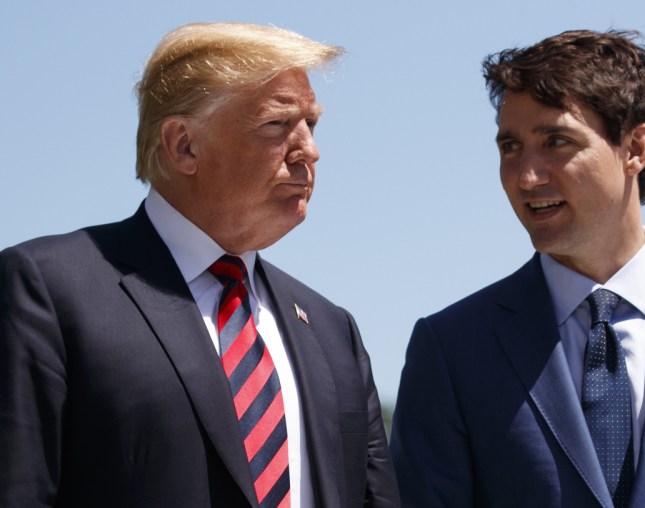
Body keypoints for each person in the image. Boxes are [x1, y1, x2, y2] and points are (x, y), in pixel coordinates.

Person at [0, 22, 399, 508]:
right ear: (183, 145)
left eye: (311, 124)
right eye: (277, 124)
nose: (309, 151)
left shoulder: (334, 331)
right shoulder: (47, 290)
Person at [390, 29, 645, 507]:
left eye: (556, 141)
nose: (526, 176)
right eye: (510, 147)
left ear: (635, 149)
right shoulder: (452, 350)